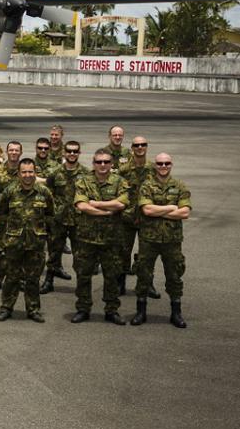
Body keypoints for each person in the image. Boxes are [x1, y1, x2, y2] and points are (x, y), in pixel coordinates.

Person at [131, 153, 191, 328]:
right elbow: (147, 210)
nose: (163, 166)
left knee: (174, 276)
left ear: (171, 164)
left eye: (166, 163)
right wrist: (172, 207)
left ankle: (176, 313)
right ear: (155, 166)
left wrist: (160, 210)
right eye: (160, 163)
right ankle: (141, 312)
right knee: (143, 274)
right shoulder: (147, 186)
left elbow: (185, 212)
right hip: (149, 239)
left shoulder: (179, 186)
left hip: (172, 240)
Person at [71, 149, 129, 325]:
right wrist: (106, 212)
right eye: (99, 162)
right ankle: (83, 308)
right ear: (93, 163)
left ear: (112, 164)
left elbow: (121, 203)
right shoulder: (83, 181)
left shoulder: (120, 181)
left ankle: (111, 310)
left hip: (111, 239)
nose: (102, 165)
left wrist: (96, 204)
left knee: (112, 276)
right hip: (87, 238)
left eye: (106, 162)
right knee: (83, 275)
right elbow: (81, 205)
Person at [0, 158, 54, 322]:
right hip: (14, 243)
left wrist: (43, 234)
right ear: (19, 173)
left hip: (35, 244)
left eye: (30, 172)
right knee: (11, 277)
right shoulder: (9, 191)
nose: (27, 175)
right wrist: (6, 237)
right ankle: (6, 307)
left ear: (35, 172)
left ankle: (33, 309)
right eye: (24, 172)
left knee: (33, 279)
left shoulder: (44, 192)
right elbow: (0, 214)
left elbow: (50, 215)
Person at [42, 140, 86, 293]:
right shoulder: (55, 172)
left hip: (78, 220)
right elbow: (48, 194)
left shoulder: (86, 174)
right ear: (64, 153)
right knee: (54, 252)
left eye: (75, 151)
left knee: (80, 255)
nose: (72, 154)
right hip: (58, 220)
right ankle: (49, 281)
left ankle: (81, 285)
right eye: (69, 151)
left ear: (79, 153)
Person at [118, 136, 157, 297]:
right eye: (136, 145)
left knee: (147, 254)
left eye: (143, 145)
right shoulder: (124, 170)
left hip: (147, 219)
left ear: (146, 147)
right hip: (126, 218)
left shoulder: (154, 169)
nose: (140, 147)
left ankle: (147, 284)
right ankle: (120, 284)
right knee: (122, 252)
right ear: (132, 148)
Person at [0, 140, 23, 291]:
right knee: (0, 249)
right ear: (6, 152)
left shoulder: (26, 170)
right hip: (2, 216)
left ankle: (17, 278)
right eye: (11, 150)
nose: (14, 153)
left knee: (19, 249)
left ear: (20, 152)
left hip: (21, 217)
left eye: (16, 150)